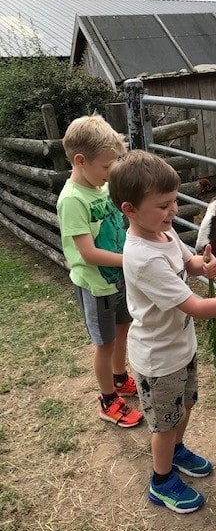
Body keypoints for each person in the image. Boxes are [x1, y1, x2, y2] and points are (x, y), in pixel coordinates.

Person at [108, 149, 216, 514]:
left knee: (185, 405)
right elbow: (197, 307)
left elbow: (184, 260)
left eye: (173, 202)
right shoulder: (143, 258)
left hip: (180, 346)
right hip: (159, 358)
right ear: (129, 209)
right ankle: (162, 481)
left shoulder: (163, 232)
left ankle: (177, 450)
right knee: (162, 422)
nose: (173, 211)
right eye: (163, 205)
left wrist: (200, 265)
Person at [56, 115, 143, 429]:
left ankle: (119, 378)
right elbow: (88, 253)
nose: (110, 174)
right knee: (104, 343)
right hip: (95, 285)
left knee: (123, 329)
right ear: (80, 161)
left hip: (117, 279)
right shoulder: (73, 200)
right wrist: (131, 259)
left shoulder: (101, 187)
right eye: (107, 167)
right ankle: (108, 399)